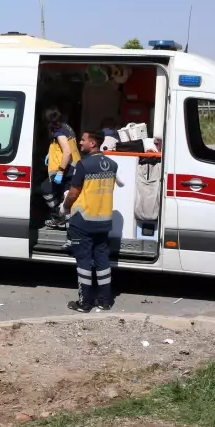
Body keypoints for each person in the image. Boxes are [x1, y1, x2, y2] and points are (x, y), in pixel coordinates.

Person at [61, 128, 117, 312]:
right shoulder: (112, 164)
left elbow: (74, 193)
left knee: (84, 262)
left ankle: (85, 303)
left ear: (93, 143)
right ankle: (105, 300)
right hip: (104, 221)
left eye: (83, 139)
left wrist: (66, 207)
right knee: (102, 261)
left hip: (83, 221)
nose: (80, 142)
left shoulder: (83, 165)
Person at [39, 108, 81, 228]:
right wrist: (50, 153)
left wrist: (60, 172)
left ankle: (58, 215)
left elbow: (67, 151)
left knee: (45, 188)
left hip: (65, 167)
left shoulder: (58, 131)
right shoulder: (66, 127)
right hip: (73, 166)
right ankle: (62, 218)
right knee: (65, 194)